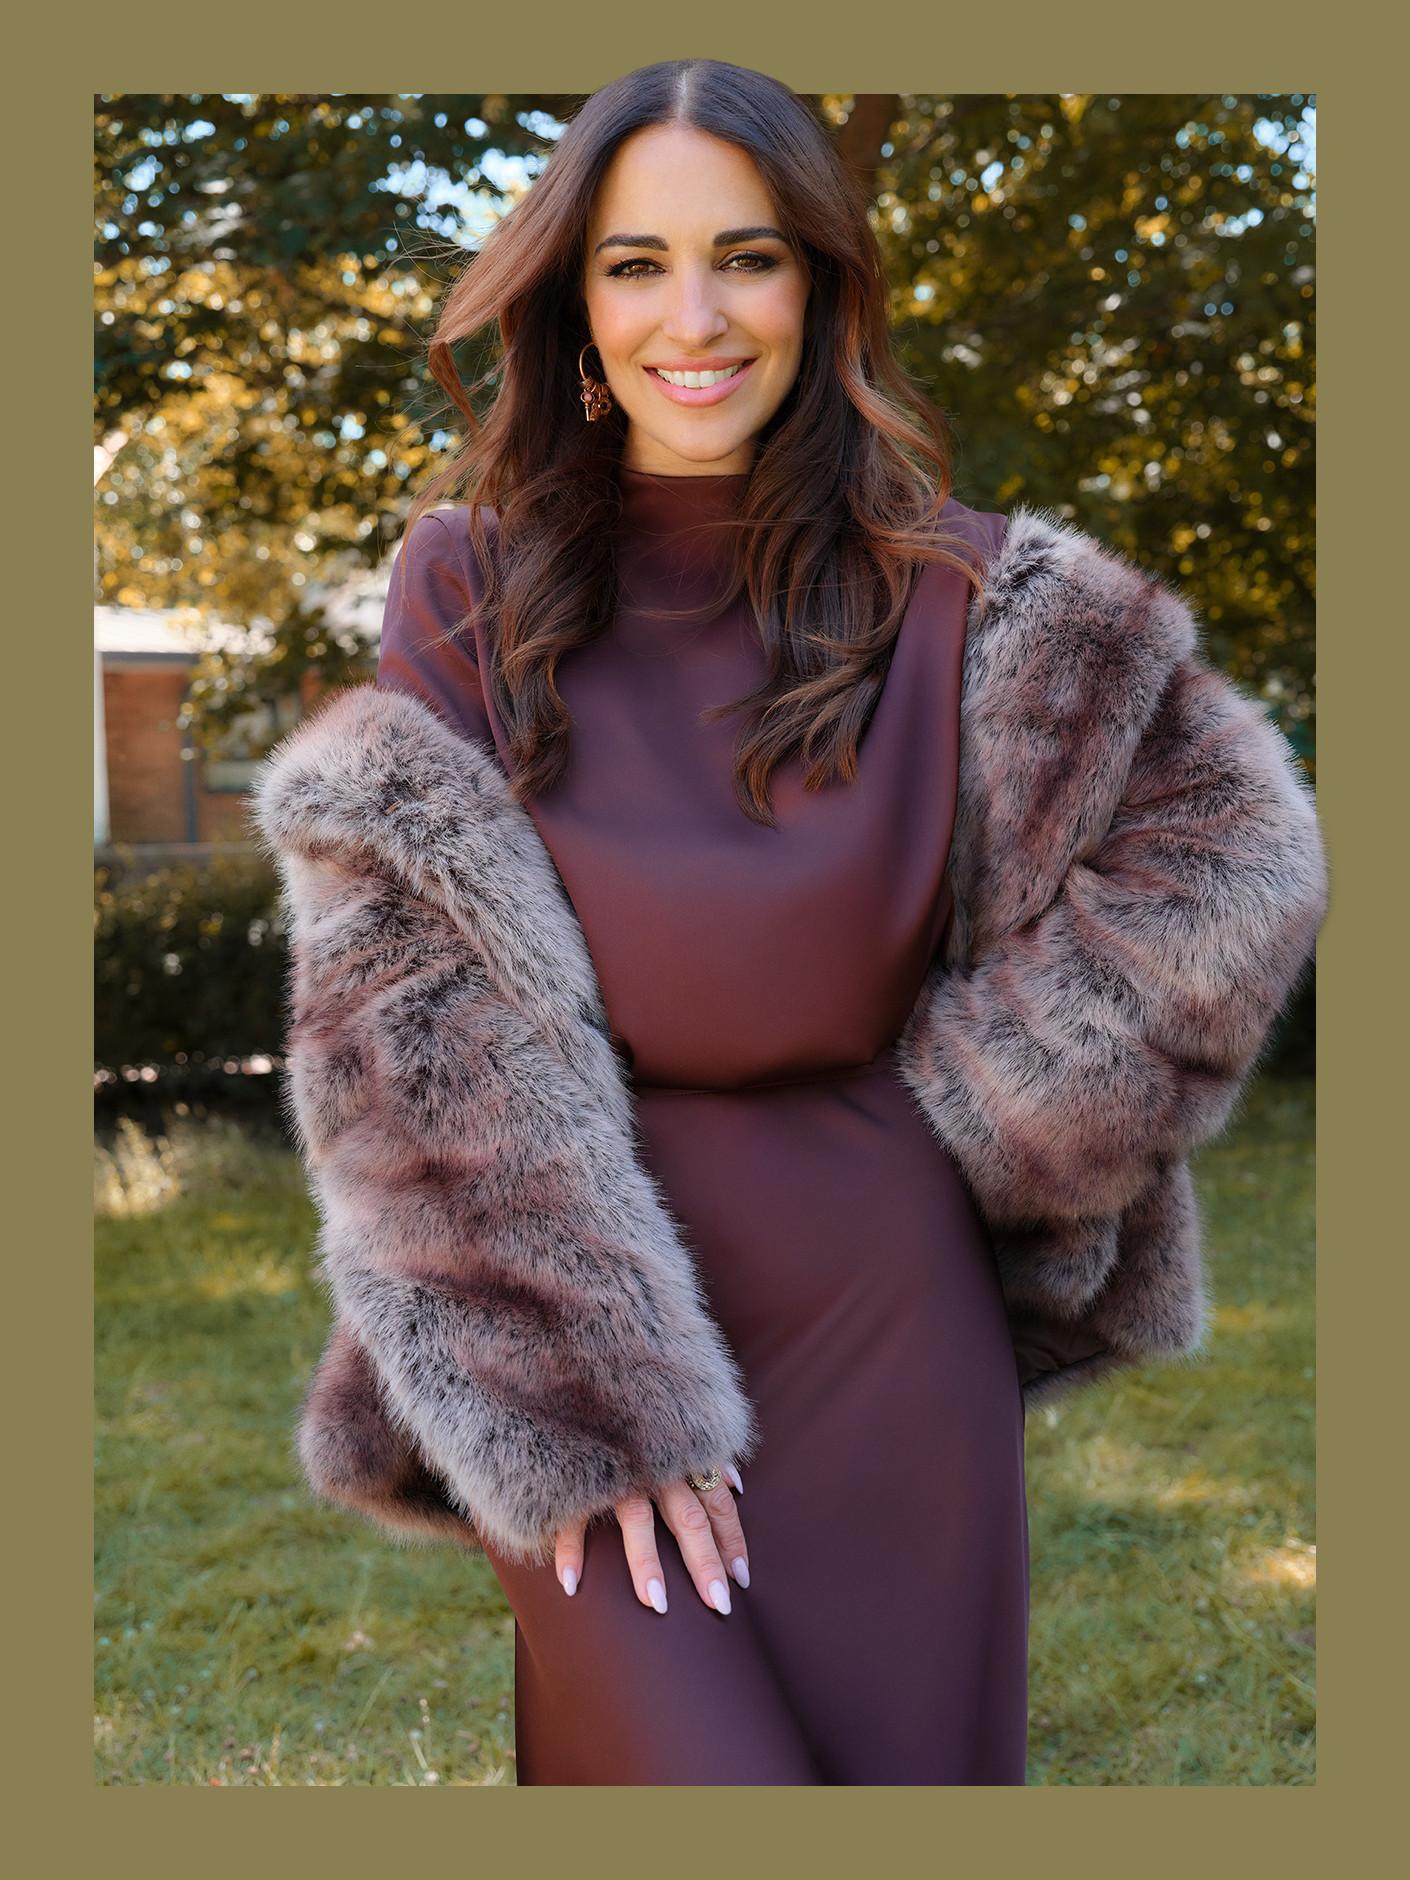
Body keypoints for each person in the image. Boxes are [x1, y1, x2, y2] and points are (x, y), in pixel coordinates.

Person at [251, 60, 1329, 1787]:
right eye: (632, 264)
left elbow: (1235, 863)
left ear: (821, 282)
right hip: (572, 1319)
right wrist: (595, 1396)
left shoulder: (971, 597)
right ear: (572, 301)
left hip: (887, 1321)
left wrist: (998, 1111)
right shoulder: (469, 582)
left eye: (746, 257)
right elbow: (407, 1033)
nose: (694, 315)